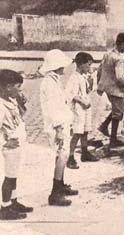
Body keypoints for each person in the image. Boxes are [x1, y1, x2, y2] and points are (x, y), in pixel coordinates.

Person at [40, 49, 78, 206]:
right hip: (57, 126)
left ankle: (60, 185)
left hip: (62, 123)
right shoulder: (49, 83)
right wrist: (60, 130)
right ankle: (55, 193)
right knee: (62, 156)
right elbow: (53, 108)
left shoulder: (54, 80)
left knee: (62, 155)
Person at [0, 70, 33, 220]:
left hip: (17, 145)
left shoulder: (11, 100)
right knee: (9, 177)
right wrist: (4, 142)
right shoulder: (0, 106)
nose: (20, 90)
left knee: (14, 176)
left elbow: (20, 117)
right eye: (18, 87)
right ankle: (5, 207)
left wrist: (21, 103)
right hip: (10, 148)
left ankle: (13, 201)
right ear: (7, 87)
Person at [97, 33, 124, 152]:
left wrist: (100, 84)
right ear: (122, 44)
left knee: (118, 108)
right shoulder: (118, 59)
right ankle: (113, 140)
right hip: (115, 89)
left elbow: (100, 69)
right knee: (118, 112)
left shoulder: (107, 54)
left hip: (107, 87)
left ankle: (104, 126)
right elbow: (120, 77)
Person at [65, 52, 99, 170]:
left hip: (85, 107)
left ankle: (85, 153)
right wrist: (82, 101)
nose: (89, 68)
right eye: (88, 65)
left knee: (85, 130)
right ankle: (70, 157)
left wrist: (90, 82)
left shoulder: (83, 76)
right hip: (78, 108)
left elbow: (86, 90)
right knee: (77, 132)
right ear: (81, 64)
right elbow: (71, 94)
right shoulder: (74, 78)